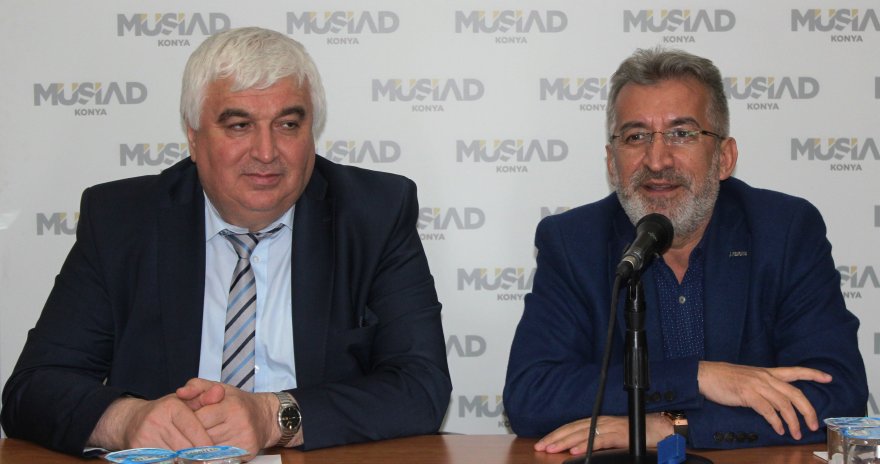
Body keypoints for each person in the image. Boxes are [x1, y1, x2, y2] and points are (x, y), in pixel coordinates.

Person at [1, 27, 451, 460]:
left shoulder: (374, 214)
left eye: (288, 124)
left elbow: (421, 387)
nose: (266, 152)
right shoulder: (122, 221)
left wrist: (273, 416)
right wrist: (125, 420)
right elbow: (33, 388)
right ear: (193, 137)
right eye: (239, 125)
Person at [503, 47, 868, 455]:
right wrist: (697, 377)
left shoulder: (784, 232)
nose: (657, 160)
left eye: (682, 134)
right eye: (636, 136)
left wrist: (672, 428)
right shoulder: (573, 242)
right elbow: (532, 396)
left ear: (724, 157)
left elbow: (837, 395)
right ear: (611, 163)